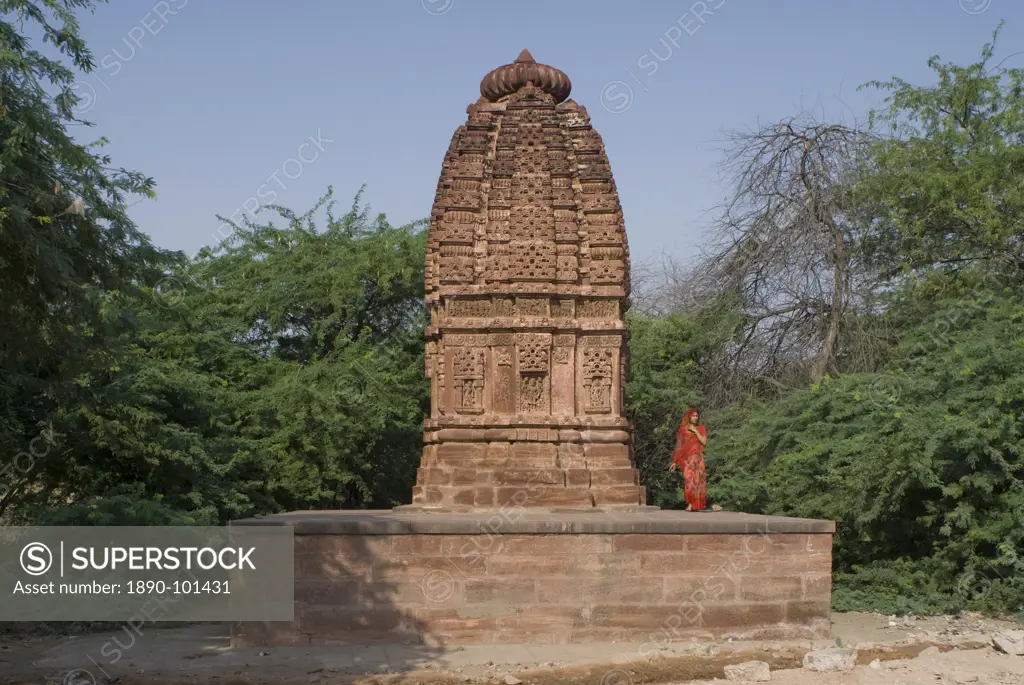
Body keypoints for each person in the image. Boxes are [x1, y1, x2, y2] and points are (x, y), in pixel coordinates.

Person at [669, 408, 720, 512]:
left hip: (698, 459)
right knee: (689, 482)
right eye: (693, 416)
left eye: (697, 416)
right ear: (689, 417)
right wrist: (674, 461)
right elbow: (679, 447)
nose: (695, 417)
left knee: (698, 482)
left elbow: (704, 442)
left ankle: (694, 505)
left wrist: (695, 431)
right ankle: (691, 504)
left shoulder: (701, 428)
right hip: (687, 460)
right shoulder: (683, 430)